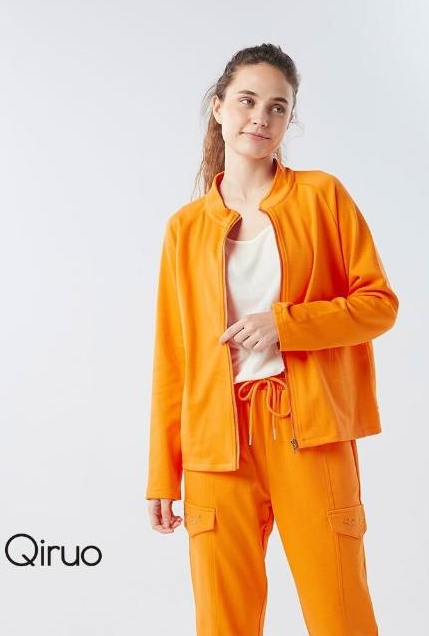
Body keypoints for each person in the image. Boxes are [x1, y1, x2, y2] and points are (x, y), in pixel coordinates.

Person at [145, 43, 399, 636]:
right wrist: (162, 471)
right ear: (218, 108)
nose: (260, 117)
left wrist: (285, 325)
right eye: (247, 101)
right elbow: (173, 357)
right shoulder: (185, 229)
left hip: (308, 432)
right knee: (222, 622)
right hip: (215, 447)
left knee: (340, 615)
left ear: (289, 119)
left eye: (277, 107)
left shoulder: (321, 196)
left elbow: (378, 305)